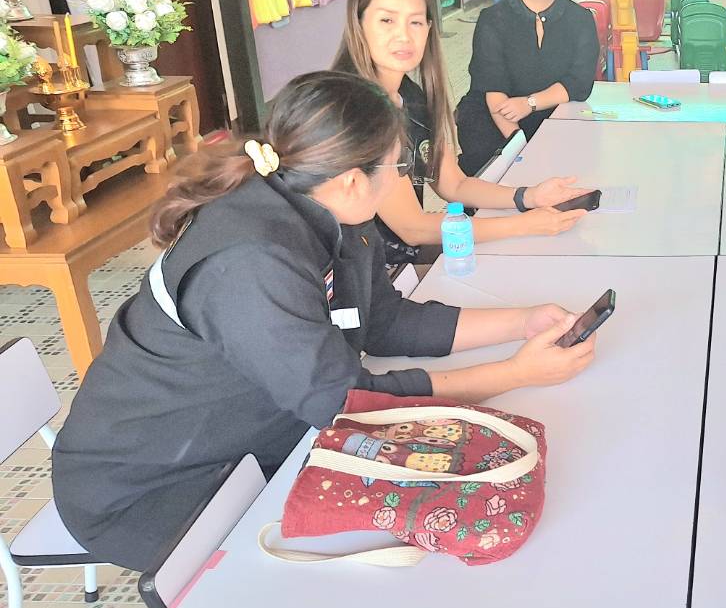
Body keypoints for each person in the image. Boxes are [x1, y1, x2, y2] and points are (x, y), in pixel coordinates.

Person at [52, 72, 597, 571]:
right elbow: (345, 403)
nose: (399, 180)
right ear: (354, 179)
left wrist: (523, 323)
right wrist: (514, 374)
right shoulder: (250, 262)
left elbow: (385, 322)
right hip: (156, 489)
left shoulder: (326, 207)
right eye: (397, 167)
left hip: (263, 437)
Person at [332, 0, 589, 266]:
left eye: (416, 22)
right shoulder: (355, 110)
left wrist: (529, 197)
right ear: (358, 24)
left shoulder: (411, 96)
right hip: (362, 273)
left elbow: (453, 185)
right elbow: (412, 227)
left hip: (399, 258)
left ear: (429, 28)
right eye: (387, 20)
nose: (403, 36)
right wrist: (523, 224)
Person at [456, 0, 599, 174]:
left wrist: (530, 103)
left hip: (554, 112)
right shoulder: (493, 20)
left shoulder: (581, 19)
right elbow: (494, 91)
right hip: (497, 117)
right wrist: (522, 149)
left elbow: (579, 83)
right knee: (494, 165)